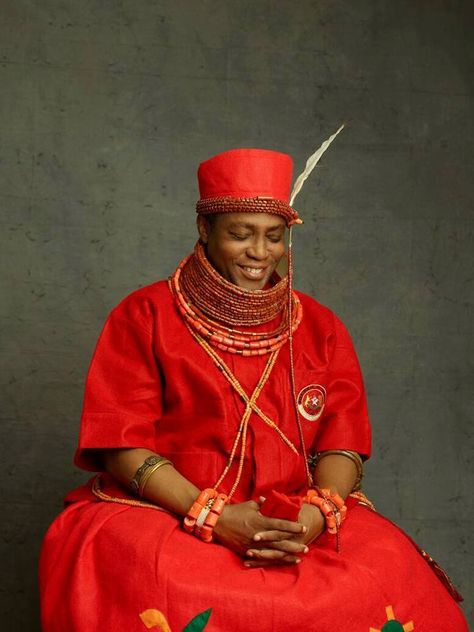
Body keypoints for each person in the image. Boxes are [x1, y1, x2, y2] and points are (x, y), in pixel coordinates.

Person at [40, 141, 468, 632]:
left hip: (295, 518)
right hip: (168, 510)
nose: (260, 253)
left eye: (274, 236)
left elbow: (342, 441)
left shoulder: (320, 326)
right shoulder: (145, 315)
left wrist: (317, 512)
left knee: (386, 571)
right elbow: (121, 445)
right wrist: (213, 515)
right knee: (157, 577)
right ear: (204, 229)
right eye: (240, 235)